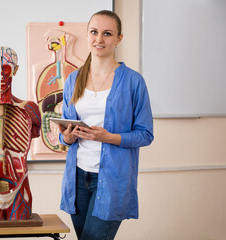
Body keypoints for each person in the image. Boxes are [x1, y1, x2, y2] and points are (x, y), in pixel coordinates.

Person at [58, 10, 154, 240]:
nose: (99, 39)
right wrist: (67, 138)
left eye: (107, 34)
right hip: (78, 177)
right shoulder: (73, 79)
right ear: (88, 34)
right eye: (94, 32)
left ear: (118, 38)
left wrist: (108, 137)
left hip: (113, 180)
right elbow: (65, 134)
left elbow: (145, 134)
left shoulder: (133, 81)